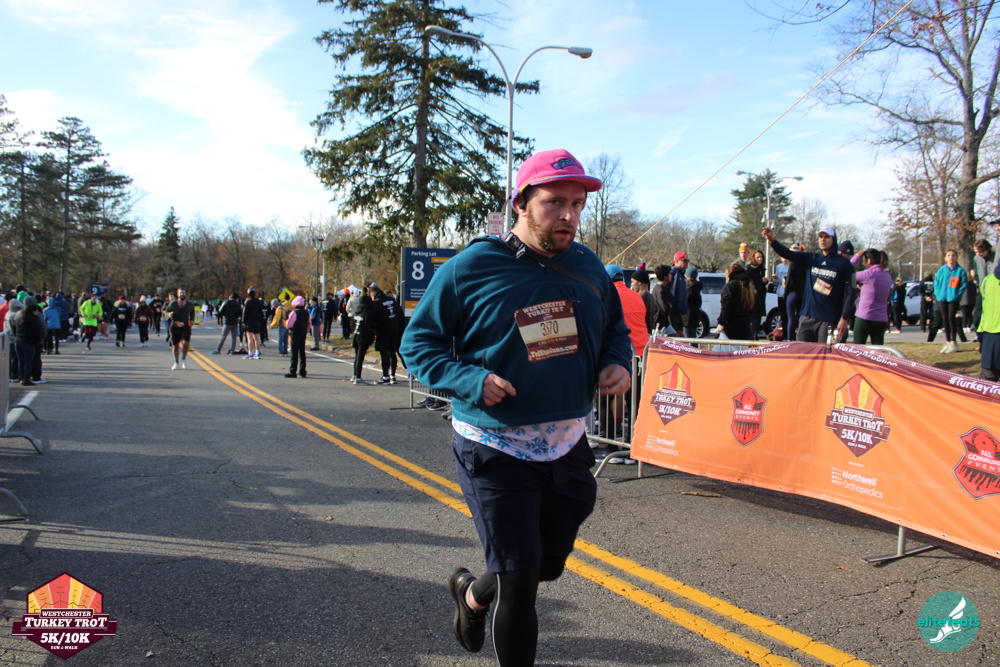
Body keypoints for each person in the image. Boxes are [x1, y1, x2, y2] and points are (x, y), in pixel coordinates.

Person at [400, 148, 632, 666]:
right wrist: (469, 379)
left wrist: (617, 362)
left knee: (546, 565)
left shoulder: (587, 266)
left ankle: (471, 593)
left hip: (567, 443)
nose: (569, 215)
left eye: (577, 204)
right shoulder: (470, 267)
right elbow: (417, 344)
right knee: (520, 581)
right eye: (555, 203)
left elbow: (615, 331)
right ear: (521, 203)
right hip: (494, 444)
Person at [763, 227, 854, 343]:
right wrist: (771, 240)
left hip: (828, 319)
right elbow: (788, 254)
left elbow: (851, 292)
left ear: (833, 239)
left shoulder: (844, 264)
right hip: (807, 316)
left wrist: (844, 318)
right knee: (803, 352)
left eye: (826, 237)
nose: (823, 239)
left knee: (824, 353)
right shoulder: (812, 258)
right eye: (821, 236)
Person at [850, 249, 893, 345]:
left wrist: (855, 259)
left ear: (869, 261)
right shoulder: (887, 276)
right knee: (878, 349)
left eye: (864, 261)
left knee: (858, 348)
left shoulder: (867, 274)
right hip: (881, 317)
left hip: (865, 315)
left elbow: (845, 272)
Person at [933, 249, 968, 353]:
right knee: (944, 319)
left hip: (953, 299)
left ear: (956, 257)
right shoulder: (941, 270)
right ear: (945, 258)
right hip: (942, 298)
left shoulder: (960, 271)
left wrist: (957, 295)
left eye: (953, 255)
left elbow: (963, 284)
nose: (951, 258)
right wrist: (938, 294)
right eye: (948, 255)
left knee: (951, 318)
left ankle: (953, 342)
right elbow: (936, 283)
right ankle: (948, 341)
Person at [370, 285, 404, 384]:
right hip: (395, 329)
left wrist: (374, 332)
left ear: (373, 295)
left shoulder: (376, 304)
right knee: (393, 352)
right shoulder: (392, 301)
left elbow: (373, 320)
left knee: (384, 353)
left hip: (383, 331)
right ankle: (393, 376)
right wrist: (401, 330)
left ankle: (385, 377)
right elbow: (400, 316)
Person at [716, 263, 756, 340]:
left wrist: (721, 323)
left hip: (731, 327)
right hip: (746, 327)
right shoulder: (749, 286)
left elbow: (726, 306)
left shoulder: (730, 286)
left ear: (729, 274)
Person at [976, 259, 1000, 380]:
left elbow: (979, 311)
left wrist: (980, 337)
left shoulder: (987, 281)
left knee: (987, 382)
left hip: (989, 337)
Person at [165, 288, 196, 370]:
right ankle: (176, 362)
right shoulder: (173, 304)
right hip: (174, 327)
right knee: (175, 346)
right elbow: (166, 312)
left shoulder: (189, 304)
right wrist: (169, 314)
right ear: (177, 294)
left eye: (183, 292)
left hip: (185, 326)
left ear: (185, 294)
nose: (182, 294)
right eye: (180, 293)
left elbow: (192, 313)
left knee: (186, 344)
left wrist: (192, 320)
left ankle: (184, 359)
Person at [350, 293, 377, 385]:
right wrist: (371, 338)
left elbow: (352, 326)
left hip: (355, 336)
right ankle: (358, 377)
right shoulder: (368, 314)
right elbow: (369, 328)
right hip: (363, 337)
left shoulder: (357, 313)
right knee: (360, 358)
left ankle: (355, 375)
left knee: (357, 357)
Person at [284, 296, 309, 378]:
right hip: (303, 332)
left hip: (295, 333)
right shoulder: (306, 313)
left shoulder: (294, 313)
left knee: (294, 353)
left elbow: (289, 324)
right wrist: (306, 329)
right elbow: (309, 323)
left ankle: (293, 371)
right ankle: (302, 371)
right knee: (302, 352)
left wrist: (287, 324)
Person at [745, 248, 767, 338]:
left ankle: (755, 334)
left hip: (760, 296)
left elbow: (761, 282)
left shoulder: (761, 269)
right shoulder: (749, 269)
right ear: (753, 258)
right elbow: (749, 282)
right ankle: (752, 336)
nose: (760, 259)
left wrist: (765, 281)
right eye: (758, 257)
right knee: (753, 317)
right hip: (752, 297)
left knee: (758, 317)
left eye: (761, 257)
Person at [629, 267, 656, 335]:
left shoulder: (640, 297)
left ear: (639, 282)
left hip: (641, 333)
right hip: (648, 333)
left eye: (633, 281)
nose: (631, 284)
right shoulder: (650, 296)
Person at [242, 287, 265, 359]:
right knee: (257, 337)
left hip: (249, 321)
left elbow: (245, 313)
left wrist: (243, 321)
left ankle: (250, 353)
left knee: (250, 338)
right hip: (257, 321)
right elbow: (261, 312)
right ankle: (257, 352)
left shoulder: (247, 302)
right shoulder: (258, 302)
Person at [683, 265, 703, 339]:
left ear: (689, 277)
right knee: (692, 337)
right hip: (694, 316)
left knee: (688, 338)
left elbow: (686, 300)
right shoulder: (697, 287)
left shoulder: (692, 288)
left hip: (688, 317)